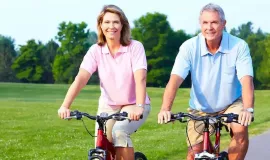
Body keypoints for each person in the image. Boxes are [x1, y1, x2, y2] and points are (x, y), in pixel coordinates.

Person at [158, 3, 254, 160]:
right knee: (194, 154)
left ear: (223, 24)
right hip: (200, 107)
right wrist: (165, 108)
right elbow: (174, 80)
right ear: (200, 23)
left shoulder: (239, 46)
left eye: (214, 22)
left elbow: (247, 81)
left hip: (231, 104)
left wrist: (248, 109)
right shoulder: (189, 47)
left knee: (240, 130)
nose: (209, 27)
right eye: (205, 23)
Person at [57, 4, 151, 160]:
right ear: (100, 25)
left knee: (119, 132)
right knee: (101, 144)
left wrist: (139, 107)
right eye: (106, 22)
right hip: (109, 104)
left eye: (116, 22)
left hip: (134, 103)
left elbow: (140, 78)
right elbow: (81, 78)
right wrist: (65, 106)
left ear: (122, 25)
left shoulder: (135, 47)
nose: (111, 26)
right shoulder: (96, 50)